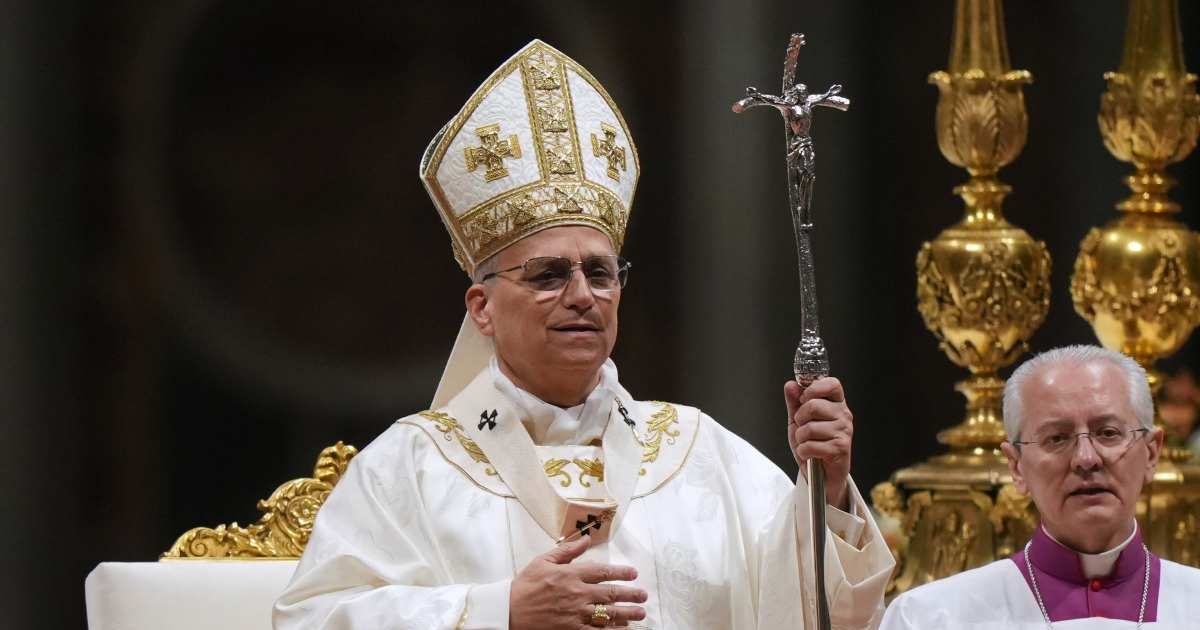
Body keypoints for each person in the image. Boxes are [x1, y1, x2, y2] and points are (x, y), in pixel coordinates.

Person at [273, 39, 893, 630]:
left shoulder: (701, 456)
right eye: (547, 275)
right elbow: (310, 619)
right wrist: (500, 613)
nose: (581, 295)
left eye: (600, 272)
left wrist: (828, 491)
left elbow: (827, 613)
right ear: (482, 307)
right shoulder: (412, 468)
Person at [881, 345, 1200, 629]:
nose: (1086, 459)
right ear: (1016, 465)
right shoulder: (931, 617)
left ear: (1151, 452)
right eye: (1057, 438)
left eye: (1108, 432)